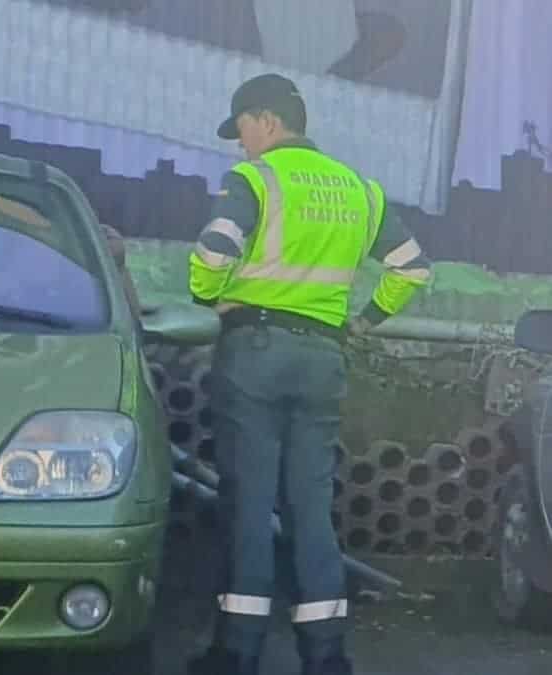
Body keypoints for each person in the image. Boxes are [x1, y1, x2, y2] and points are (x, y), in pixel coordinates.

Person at [187, 73, 431, 675]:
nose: (241, 144)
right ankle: (325, 657)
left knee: (248, 503)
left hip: (256, 353)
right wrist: (364, 321)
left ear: (267, 121)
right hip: (324, 357)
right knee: (310, 510)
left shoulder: (256, 179)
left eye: (242, 128)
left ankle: (236, 654)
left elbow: (212, 256)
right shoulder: (361, 190)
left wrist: (210, 295)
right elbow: (413, 269)